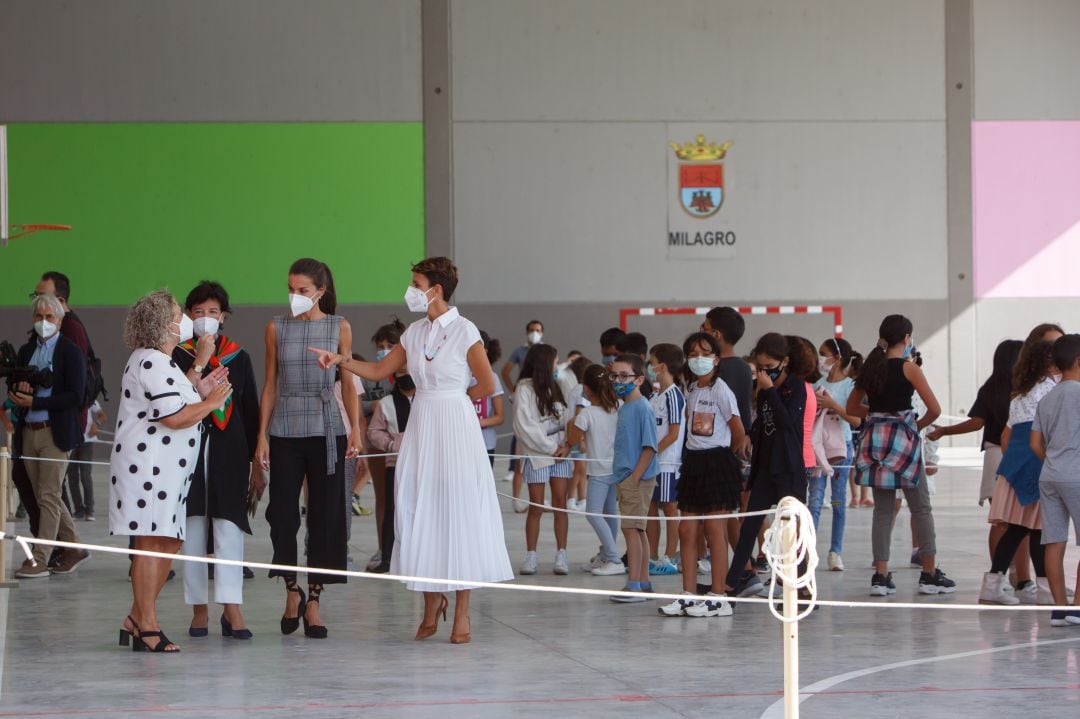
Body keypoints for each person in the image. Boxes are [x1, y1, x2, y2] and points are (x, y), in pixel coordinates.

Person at [310, 256, 513, 643]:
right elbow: (379, 371)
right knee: (421, 507)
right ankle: (430, 604)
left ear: (434, 290)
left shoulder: (466, 330)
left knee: (459, 511)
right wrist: (340, 361)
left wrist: (454, 401)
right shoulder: (415, 333)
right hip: (422, 424)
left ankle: (463, 613)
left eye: (416, 282)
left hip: (455, 424)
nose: (410, 289)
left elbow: (487, 384)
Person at [111, 289, 232, 652]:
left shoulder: (164, 362)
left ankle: (135, 616)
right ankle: (147, 624)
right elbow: (173, 416)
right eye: (180, 315)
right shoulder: (149, 361)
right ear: (164, 325)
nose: (187, 321)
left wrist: (200, 386)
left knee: (168, 540)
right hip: (148, 470)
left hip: (167, 473)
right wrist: (210, 404)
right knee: (151, 542)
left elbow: (178, 399)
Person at [254, 258, 362, 640]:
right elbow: (269, 383)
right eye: (290, 289)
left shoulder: (339, 326)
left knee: (326, 514)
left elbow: (347, 383)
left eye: (302, 290)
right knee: (282, 513)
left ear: (320, 290)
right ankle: (291, 589)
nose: (294, 296)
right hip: (285, 427)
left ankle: (314, 597)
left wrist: (356, 430)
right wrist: (261, 436)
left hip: (327, 427)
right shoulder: (275, 327)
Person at [173, 281, 261, 639]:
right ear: (187, 316)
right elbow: (175, 400)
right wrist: (199, 360)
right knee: (193, 527)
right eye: (198, 312)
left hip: (230, 451)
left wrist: (258, 459)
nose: (205, 319)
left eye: (212, 312)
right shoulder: (178, 356)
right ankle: (198, 609)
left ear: (223, 317)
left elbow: (250, 409)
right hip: (188, 449)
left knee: (228, 526)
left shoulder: (238, 358)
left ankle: (232, 608)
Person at [846, 315, 954, 596]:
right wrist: (912, 426)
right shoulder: (909, 368)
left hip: (876, 441)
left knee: (882, 510)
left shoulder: (871, 369)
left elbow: (852, 406)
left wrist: (877, 416)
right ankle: (929, 573)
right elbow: (935, 409)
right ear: (906, 338)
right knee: (920, 508)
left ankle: (880, 575)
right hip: (904, 443)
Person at [658, 334, 743, 616]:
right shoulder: (691, 389)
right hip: (693, 462)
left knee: (715, 530)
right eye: (692, 354)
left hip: (717, 462)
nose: (698, 358)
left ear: (716, 359)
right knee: (687, 530)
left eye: (704, 353)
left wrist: (730, 460)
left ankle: (719, 597)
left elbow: (738, 430)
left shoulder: (722, 391)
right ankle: (688, 594)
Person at [726, 333, 814, 598]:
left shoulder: (797, 387)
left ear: (785, 362)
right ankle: (733, 580)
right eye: (761, 368)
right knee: (750, 524)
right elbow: (763, 422)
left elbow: (788, 423)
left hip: (788, 467)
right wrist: (750, 435)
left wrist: (771, 391)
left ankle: (802, 588)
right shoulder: (764, 390)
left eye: (770, 368)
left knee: (791, 527)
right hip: (765, 467)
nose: (765, 373)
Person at [9, 293, 90, 579]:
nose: (44, 322)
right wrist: (18, 394)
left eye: (49, 317)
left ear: (59, 319)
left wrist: (38, 402)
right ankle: (75, 547)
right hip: (29, 431)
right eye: (39, 317)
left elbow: (75, 396)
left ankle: (39, 558)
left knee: (48, 495)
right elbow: (15, 386)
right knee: (46, 496)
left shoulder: (70, 351)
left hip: (55, 432)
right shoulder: (27, 350)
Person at [929, 339, 1023, 563]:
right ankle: (1019, 575)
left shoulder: (990, 388)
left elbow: (976, 422)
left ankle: (999, 572)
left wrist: (944, 431)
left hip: (994, 455)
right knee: (1020, 520)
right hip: (1017, 455)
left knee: (1000, 519)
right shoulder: (1023, 390)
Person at [978, 339, 1056, 605]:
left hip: (1014, 465)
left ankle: (993, 585)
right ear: (1049, 363)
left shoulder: (1020, 393)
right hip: (1037, 464)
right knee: (1037, 530)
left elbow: (1007, 436)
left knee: (1017, 530)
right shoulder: (1051, 390)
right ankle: (1045, 590)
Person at [1030, 334, 1080, 626]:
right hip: (1077, 475)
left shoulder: (1047, 398)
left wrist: (1054, 461)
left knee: (1054, 541)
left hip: (1049, 475)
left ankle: (1059, 608)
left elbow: (1036, 444)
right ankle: (1078, 607)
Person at [514, 343, 573, 576]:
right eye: (555, 361)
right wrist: (550, 447)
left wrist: (566, 446)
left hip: (560, 456)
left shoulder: (556, 386)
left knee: (561, 503)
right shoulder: (524, 389)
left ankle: (562, 553)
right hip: (538, 455)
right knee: (536, 505)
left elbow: (566, 417)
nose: (557, 366)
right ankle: (531, 555)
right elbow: (524, 426)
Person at [607, 354, 660, 603]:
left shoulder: (642, 408)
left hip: (635, 478)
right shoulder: (626, 407)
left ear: (639, 379)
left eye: (624, 376)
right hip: (627, 477)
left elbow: (650, 447)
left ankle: (634, 584)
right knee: (638, 530)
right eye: (614, 376)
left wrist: (633, 478)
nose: (618, 381)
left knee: (630, 529)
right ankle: (644, 581)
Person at [810, 337, 863, 571]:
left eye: (824, 353)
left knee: (839, 501)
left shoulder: (851, 387)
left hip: (841, 449)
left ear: (838, 358)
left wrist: (833, 405)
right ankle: (808, 551)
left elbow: (856, 419)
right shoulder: (816, 384)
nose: (821, 358)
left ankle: (835, 551)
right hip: (818, 447)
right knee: (814, 500)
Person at [567, 364, 623, 576]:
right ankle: (607, 555)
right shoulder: (618, 406)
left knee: (593, 513)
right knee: (610, 513)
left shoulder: (587, 414)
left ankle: (614, 558)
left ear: (587, 389)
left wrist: (572, 421)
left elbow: (573, 439)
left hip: (599, 472)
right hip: (615, 469)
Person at [362, 318, 405, 571]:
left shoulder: (409, 372)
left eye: (391, 344)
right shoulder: (371, 375)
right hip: (379, 443)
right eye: (380, 345)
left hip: (406, 444)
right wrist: (373, 406)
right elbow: (361, 403)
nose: (384, 349)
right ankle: (384, 547)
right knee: (384, 497)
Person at [366, 364, 416, 573]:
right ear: (394, 376)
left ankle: (417, 558)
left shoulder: (426, 400)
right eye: (401, 373)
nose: (406, 377)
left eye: (409, 372)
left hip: (423, 465)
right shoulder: (386, 403)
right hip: (394, 464)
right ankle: (387, 558)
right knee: (391, 510)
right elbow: (374, 431)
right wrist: (390, 444)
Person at [645, 343, 687, 577]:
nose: (650, 368)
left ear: (662, 366)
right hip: (652, 463)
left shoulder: (674, 396)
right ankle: (650, 555)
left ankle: (670, 556)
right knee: (650, 509)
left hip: (668, 463)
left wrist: (653, 452)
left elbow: (673, 433)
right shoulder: (654, 395)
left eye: (652, 363)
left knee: (670, 509)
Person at [500, 320, 545, 483]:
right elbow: (506, 371)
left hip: (540, 394)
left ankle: (538, 464)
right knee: (519, 429)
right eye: (532, 330)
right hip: (524, 392)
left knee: (541, 427)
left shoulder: (545, 351)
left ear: (542, 333)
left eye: (538, 330)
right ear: (527, 332)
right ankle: (514, 468)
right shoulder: (520, 350)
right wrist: (513, 390)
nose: (535, 333)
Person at [67, 400, 107, 521]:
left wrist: (97, 424)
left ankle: (89, 510)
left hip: (87, 440)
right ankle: (78, 510)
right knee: (72, 476)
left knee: (85, 475)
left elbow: (102, 415)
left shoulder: (90, 399)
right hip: (70, 440)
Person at [475, 330, 506, 467]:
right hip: (461, 442)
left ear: (485, 351)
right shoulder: (459, 377)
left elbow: (499, 417)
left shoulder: (492, 378)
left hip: (485, 444)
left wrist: (475, 423)